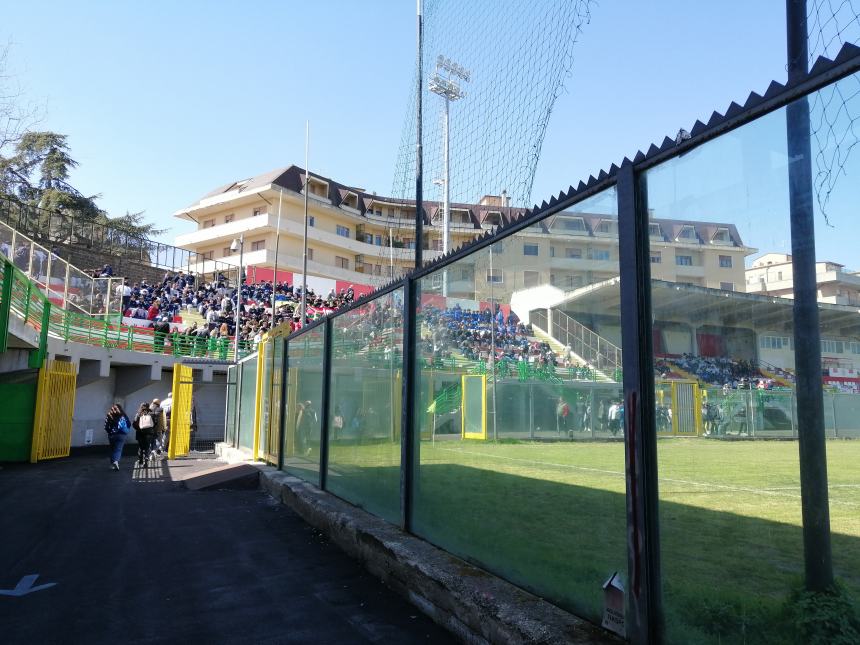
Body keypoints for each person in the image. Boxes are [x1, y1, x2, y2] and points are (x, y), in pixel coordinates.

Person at [103, 404, 131, 470]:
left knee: (113, 449)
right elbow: (129, 424)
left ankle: (113, 463)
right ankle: (115, 462)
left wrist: (109, 432)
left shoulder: (109, 415)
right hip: (122, 434)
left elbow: (106, 426)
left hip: (112, 434)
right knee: (118, 449)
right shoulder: (123, 415)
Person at [132, 402, 157, 467]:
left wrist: (138, 428)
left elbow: (134, 424)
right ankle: (146, 459)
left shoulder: (138, 414)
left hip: (140, 433)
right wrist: (151, 429)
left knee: (141, 447)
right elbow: (155, 423)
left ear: (141, 407)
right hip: (149, 433)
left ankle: (140, 461)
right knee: (147, 447)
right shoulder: (151, 413)